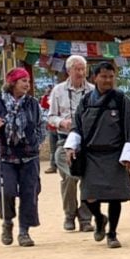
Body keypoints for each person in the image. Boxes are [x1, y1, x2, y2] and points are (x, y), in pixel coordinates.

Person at [64, 61, 130, 249]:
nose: (108, 80)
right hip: (91, 156)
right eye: (104, 76)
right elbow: (77, 126)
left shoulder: (121, 100)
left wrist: (129, 155)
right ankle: (99, 218)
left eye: (111, 76)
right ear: (95, 77)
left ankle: (112, 233)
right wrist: (71, 147)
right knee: (88, 196)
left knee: (115, 197)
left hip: (115, 156)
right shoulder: (86, 101)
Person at [0, 67, 45, 247]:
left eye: (28, 81)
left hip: (29, 156)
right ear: (13, 83)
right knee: (6, 190)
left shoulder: (33, 103)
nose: (27, 84)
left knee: (29, 192)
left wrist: (37, 142)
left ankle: (24, 231)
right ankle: (7, 221)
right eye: (24, 81)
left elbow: (41, 124)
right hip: (5, 155)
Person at [47, 55, 95, 232]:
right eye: (77, 69)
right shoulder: (58, 91)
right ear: (69, 71)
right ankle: (69, 214)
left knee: (88, 179)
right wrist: (62, 122)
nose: (81, 73)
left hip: (88, 142)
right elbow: (50, 117)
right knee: (70, 177)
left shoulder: (92, 90)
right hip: (64, 141)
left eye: (83, 69)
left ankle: (86, 218)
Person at [41, 85, 58, 174]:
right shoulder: (49, 100)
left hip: (60, 127)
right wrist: (46, 95)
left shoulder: (59, 98)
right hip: (51, 126)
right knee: (53, 149)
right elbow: (43, 105)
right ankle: (53, 166)